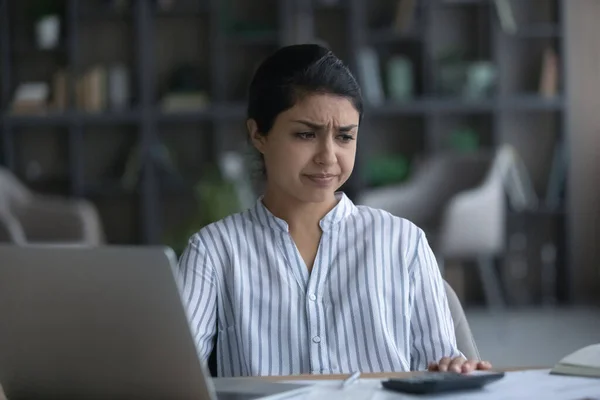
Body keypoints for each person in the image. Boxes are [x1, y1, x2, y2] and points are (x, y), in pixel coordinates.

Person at [176, 44, 492, 377]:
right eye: (305, 134)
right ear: (258, 135)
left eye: (344, 137)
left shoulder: (404, 243)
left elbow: (441, 368)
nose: (328, 156)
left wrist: (453, 368)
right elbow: (172, 377)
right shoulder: (212, 253)